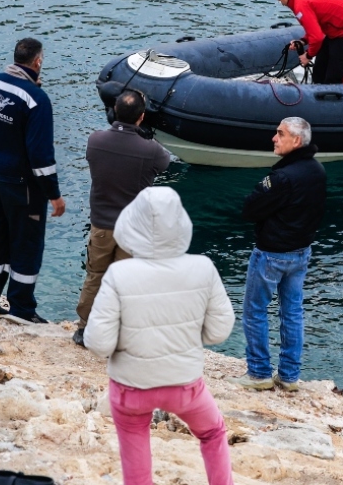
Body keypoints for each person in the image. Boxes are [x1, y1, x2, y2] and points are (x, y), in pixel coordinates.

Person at [84, 186, 235, 485]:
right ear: (181, 224)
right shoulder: (203, 268)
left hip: (131, 388)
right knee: (212, 433)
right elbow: (219, 331)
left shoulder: (119, 274)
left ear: (132, 226)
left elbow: (98, 343)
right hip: (185, 385)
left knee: (134, 438)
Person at [0, 38, 66, 325]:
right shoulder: (36, 98)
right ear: (38, 62)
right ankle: (21, 308)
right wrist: (54, 194)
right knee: (26, 241)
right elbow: (40, 155)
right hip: (21, 182)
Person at [234, 117, 327, 392]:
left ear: (296, 141)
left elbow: (250, 209)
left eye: (280, 134)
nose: (274, 138)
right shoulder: (318, 171)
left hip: (272, 253)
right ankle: (288, 376)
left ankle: (259, 373)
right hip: (301, 252)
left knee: (254, 311)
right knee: (293, 312)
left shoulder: (282, 177)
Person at [73, 90, 171, 347]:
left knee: (95, 275)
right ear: (141, 117)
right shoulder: (151, 151)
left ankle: (84, 328)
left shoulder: (95, 141)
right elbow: (165, 162)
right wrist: (144, 134)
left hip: (102, 225)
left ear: (114, 112)